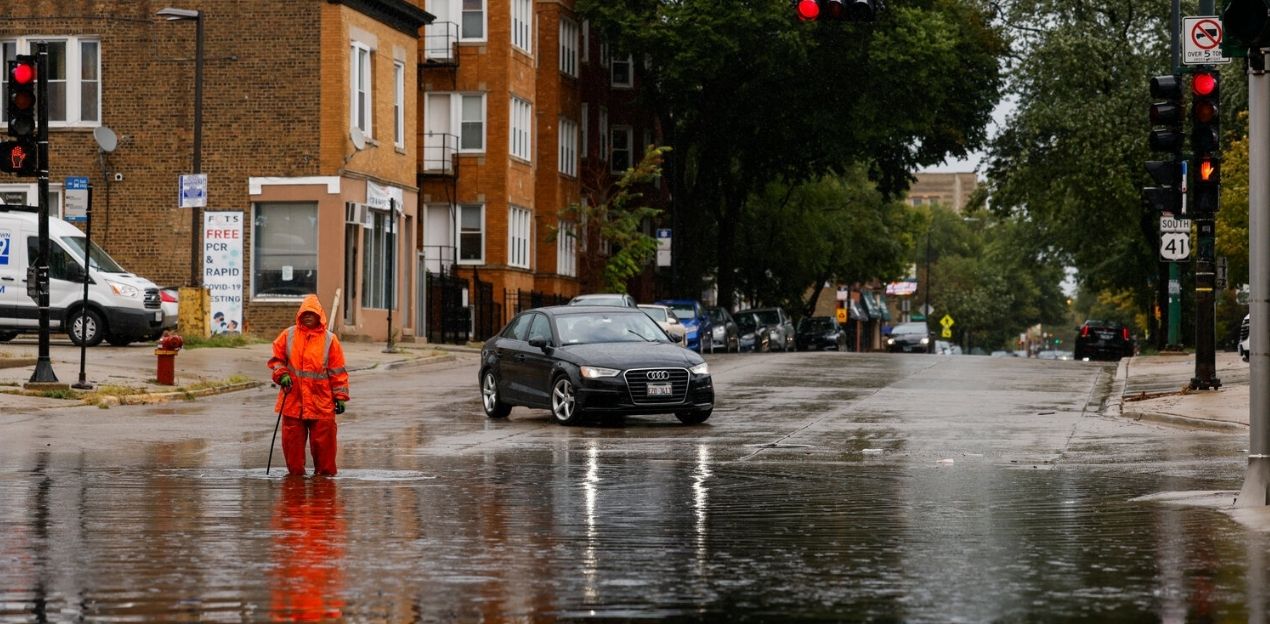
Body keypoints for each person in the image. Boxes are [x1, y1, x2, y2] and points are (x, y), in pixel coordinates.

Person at [267, 294, 350, 476]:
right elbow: (276, 360)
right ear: (299, 315)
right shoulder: (288, 335)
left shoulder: (330, 340)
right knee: (293, 451)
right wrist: (282, 374)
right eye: (304, 313)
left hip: (321, 403)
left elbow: (337, 371)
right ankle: (295, 484)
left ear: (319, 316)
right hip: (293, 401)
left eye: (311, 314)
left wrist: (340, 396)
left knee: (325, 452)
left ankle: (324, 485)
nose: (308, 317)